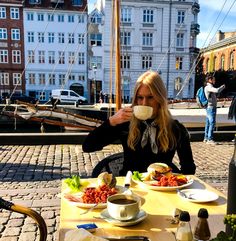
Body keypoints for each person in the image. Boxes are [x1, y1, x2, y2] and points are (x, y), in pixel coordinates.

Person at [82, 71, 196, 175]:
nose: (144, 103)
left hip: (161, 189)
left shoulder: (175, 128)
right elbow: (88, 146)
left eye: (150, 97)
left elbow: (189, 168)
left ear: (160, 98)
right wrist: (112, 121)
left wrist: (177, 183)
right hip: (130, 188)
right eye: (140, 97)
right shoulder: (126, 123)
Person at [203, 75, 225, 144]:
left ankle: (206, 138)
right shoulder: (208, 87)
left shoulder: (208, 87)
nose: (214, 81)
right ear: (210, 80)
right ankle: (210, 139)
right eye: (213, 79)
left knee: (208, 123)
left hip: (210, 107)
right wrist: (223, 87)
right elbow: (217, 90)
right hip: (211, 107)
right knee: (212, 123)